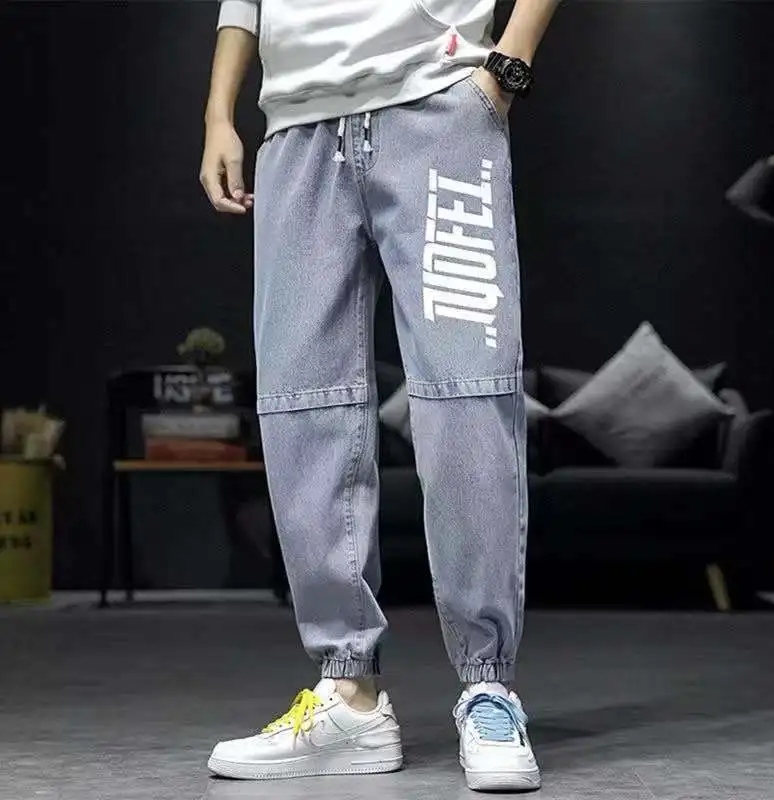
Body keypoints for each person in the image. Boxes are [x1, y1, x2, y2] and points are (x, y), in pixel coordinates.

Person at [200, 0, 560, 792]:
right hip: (295, 125)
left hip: (437, 105)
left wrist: (506, 67)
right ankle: (348, 695)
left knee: (467, 397)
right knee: (303, 406)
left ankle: (489, 686)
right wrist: (219, 114)